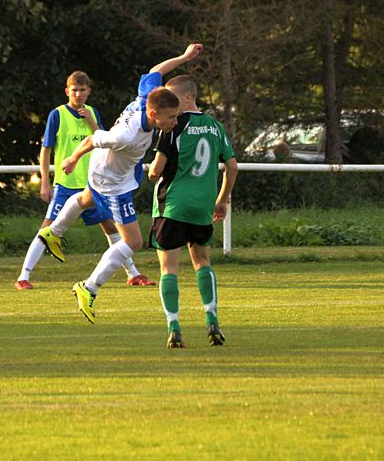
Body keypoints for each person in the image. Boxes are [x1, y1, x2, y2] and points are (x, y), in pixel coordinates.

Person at [37, 43, 202, 323]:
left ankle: (53, 231)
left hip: (113, 173)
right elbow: (94, 138)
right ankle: (88, 288)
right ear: (153, 115)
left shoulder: (146, 97)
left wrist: (185, 58)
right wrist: (73, 159)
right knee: (134, 241)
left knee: (87, 199)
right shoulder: (125, 136)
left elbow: (156, 70)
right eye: (171, 117)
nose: (175, 122)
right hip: (111, 181)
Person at [15, 72, 154, 290]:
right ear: (67, 91)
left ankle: (132, 273)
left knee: (112, 227)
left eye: (82, 90)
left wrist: (91, 121)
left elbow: (102, 139)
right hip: (66, 183)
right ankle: (24, 276)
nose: (78, 94)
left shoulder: (91, 112)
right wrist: (45, 180)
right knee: (49, 226)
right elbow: (46, 149)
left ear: (88, 91)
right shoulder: (57, 115)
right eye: (74, 90)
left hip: (95, 182)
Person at [148, 73, 238, 348]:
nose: (171, 104)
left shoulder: (173, 127)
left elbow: (157, 169)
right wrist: (222, 200)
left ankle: (174, 325)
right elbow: (232, 166)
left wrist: (152, 173)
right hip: (203, 206)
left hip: (173, 204)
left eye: (174, 97)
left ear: (187, 96)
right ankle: (212, 318)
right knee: (202, 261)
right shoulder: (215, 126)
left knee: (168, 268)